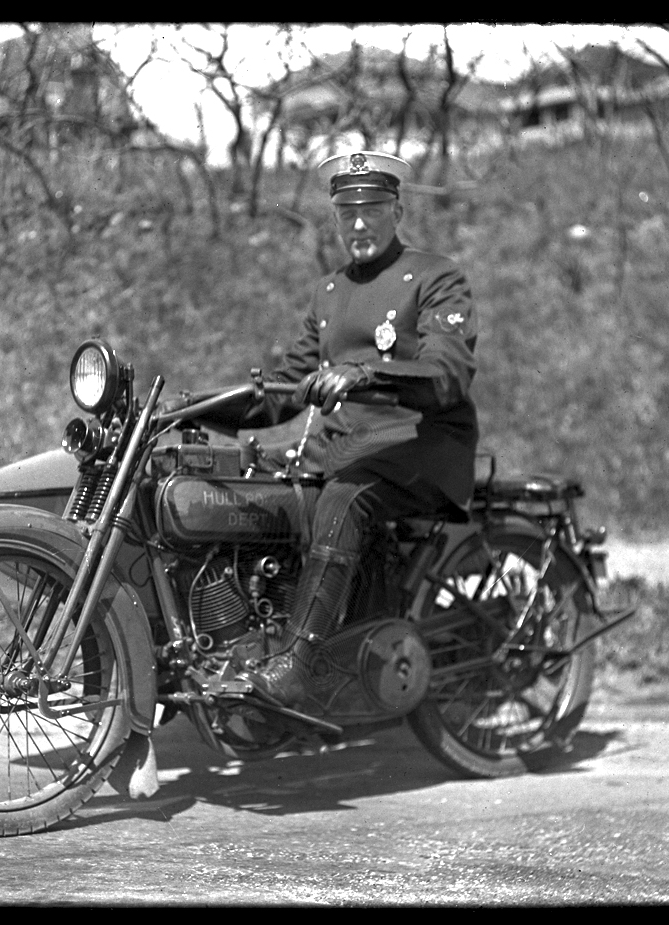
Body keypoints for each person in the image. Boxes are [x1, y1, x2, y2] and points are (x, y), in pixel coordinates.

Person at [214, 151, 479, 715]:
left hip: (420, 444)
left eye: (373, 209)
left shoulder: (434, 275)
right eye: (346, 212)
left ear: (397, 210)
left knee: (342, 498)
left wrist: (363, 373)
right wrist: (195, 410)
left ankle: (297, 666)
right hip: (348, 447)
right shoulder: (329, 292)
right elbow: (286, 386)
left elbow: (447, 373)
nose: (358, 224)